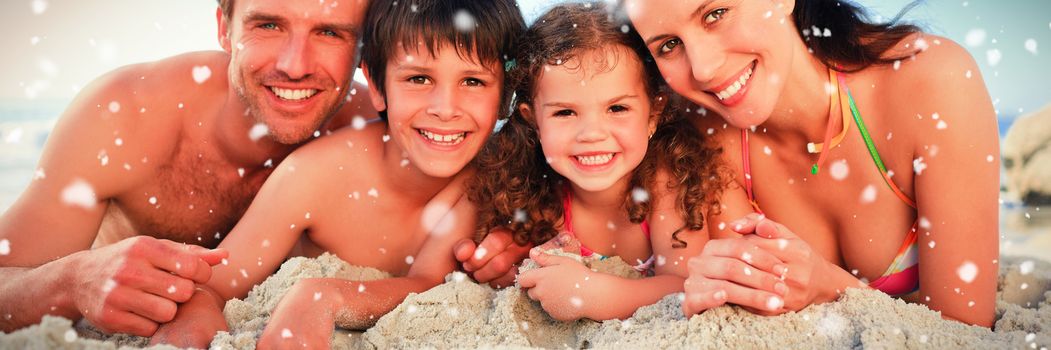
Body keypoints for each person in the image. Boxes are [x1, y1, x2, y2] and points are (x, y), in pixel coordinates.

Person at [152, 0, 527, 348]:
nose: (445, 109)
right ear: (378, 87)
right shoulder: (318, 173)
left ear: (506, 96)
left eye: (473, 82)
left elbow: (427, 283)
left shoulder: (487, 179)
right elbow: (212, 283)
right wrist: (193, 325)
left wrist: (325, 295)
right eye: (418, 79)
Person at [0, 0, 376, 337]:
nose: (295, 66)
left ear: (363, 50)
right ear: (224, 30)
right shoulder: (124, 116)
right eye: (268, 25)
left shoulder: (381, 136)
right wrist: (72, 281)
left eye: (330, 32)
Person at [623, 0, 999, 326]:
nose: (703, 68)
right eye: (669, 45)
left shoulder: (931, 80)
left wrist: (830, 288)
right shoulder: (698, 142)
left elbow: (965, 325)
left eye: (716, 13)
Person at [468, 2, 734, 322]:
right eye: (565, 112)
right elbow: (518, 264)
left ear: (653, 114)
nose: (592, 134)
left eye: (617, 108)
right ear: (534, 121)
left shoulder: (668, 183)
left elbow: (684, 284)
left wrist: (592, 293)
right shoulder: (541, 193)